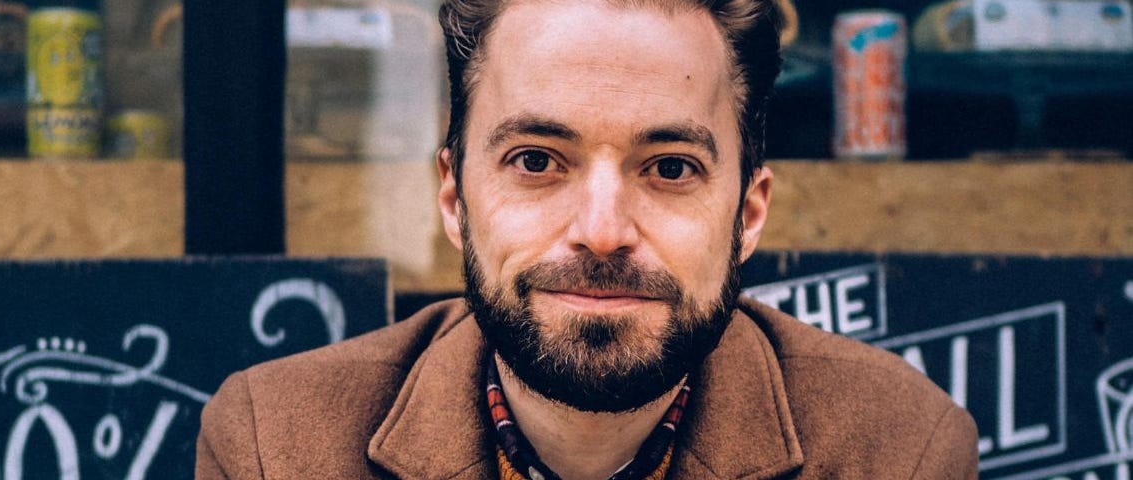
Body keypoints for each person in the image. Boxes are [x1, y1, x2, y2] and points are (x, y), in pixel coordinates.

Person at [197, 0, 979, 478]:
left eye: (670, 167)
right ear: (454, 197)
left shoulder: (897, 450)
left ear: (746, 215)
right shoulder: (276, 446)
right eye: (536, 161)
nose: (602, 233)